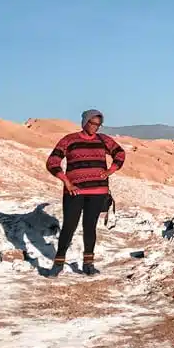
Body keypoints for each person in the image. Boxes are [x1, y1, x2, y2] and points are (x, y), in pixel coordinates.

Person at [45, 109, 125, 276]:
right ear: (84, 122)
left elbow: (120, 153)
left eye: (98, 125)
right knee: (69, 226)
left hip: (98, 191)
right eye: (92, 123)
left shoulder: (103, 140)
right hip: (74, 191)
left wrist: (111, 170)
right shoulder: (69, 140)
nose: (95, 127)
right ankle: (58, 263)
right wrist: (66, 182)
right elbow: (52, 161)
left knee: (90, 227)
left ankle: (88, 264)